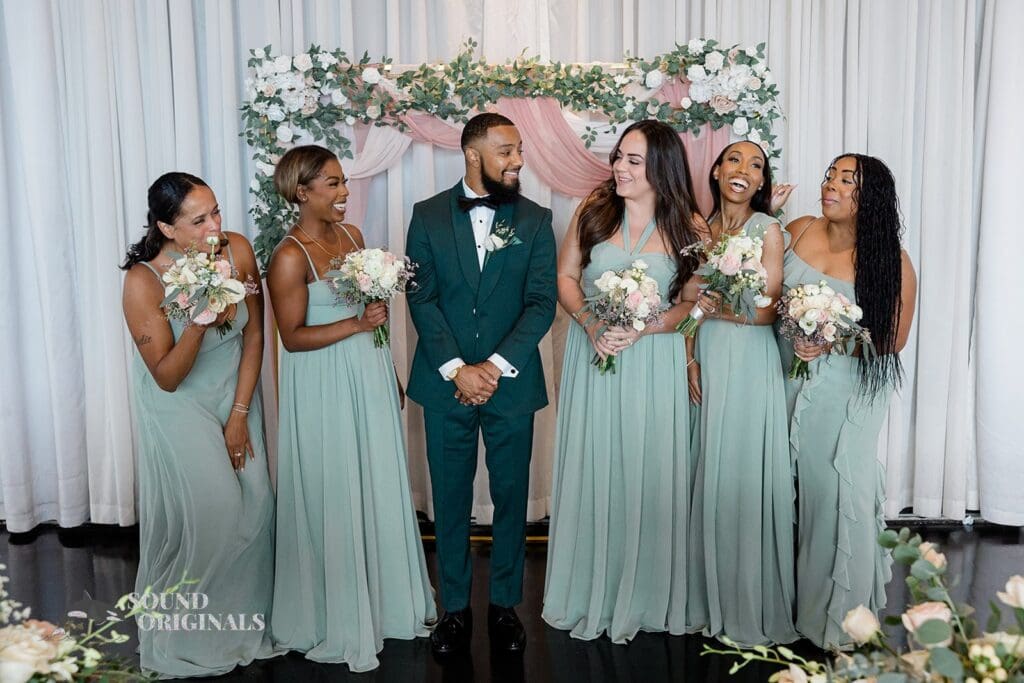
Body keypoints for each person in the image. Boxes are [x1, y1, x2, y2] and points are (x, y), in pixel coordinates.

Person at [266, 145, 435, 672]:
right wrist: (358, 327)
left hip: (366, 371)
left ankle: (382, 603)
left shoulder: (353, 238)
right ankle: (332, 613)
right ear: (302, 191)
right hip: (322, 386)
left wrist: (389, 372)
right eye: (334, 184)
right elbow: (291, 338)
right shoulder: (289, 256)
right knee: (336, 484)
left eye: (343, 183)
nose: (344, 193)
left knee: (375, 481)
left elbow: (373, 314)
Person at [542, 120, 705, 643]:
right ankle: (592, 588)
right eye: (619, 156)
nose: (619, 167)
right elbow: (565, 278)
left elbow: (692, 305)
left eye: (634, 160)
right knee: (597, 466)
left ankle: (650, 592)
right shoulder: (593, 211)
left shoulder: (689, 228)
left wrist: (645, 328)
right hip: (595, 359)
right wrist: (591, 326)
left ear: (661, 167)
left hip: (653, 366)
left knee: (648, 468)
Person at [405, 113, 557, 655]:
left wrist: (491, 368)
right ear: (473, 154)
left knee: (512, 496)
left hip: (510, 385)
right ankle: (452, 610)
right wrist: (456, 369)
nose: (517, 161)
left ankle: (504, 606)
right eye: (506, 151)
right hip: (444, 384)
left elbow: (541, 304)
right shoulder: (425, 216)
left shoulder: (537, 220)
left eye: (519, 151)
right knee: (448, 498)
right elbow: (419, 297)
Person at [121, 172, 276, 677]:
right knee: (214, 513)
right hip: (179, 403)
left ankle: (237, 625)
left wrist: (240, 413)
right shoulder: (143, 280)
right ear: (167, 228)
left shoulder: (237, 250)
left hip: (233, 393)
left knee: (255, 509)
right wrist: (198, 320)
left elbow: (255, 336)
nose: (216, 227)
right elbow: (166, 376)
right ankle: (184, 633)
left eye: (216, 212)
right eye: (199, 219)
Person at [778, 153, 917, 649]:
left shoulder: (890, 260)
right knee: (784, 492)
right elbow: (766, 292)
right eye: (829, 176)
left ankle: (838, 618)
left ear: (869, 198)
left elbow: (892, 340)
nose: (830, 186)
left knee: (835, 493)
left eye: (845, 180)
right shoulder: (796, 229)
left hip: (847, 390)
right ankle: (783, 607)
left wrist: (834, 335)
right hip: (784, 378)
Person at [684, 141, 799, 646]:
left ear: (760, 183)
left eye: (757, 166)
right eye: (735, 160)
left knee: (744, 470)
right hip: (707, 355)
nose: (744, 170)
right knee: (710, 466)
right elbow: (683, 298)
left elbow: (767, 310)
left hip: (750, 362)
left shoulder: (767, 229)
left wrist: (710, 307)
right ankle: (710, 597)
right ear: (715, 170)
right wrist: (690, 355)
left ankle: (750, 600)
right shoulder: (699, 230)